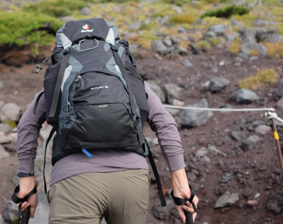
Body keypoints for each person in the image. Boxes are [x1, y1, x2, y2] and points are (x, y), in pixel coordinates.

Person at [16, 83, 199, 224]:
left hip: (74, 182)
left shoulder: (62, 74)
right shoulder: (124, 72)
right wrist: (181, 183)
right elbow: (164, 122)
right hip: (130, 181)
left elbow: (27, 124)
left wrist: (26, 180)